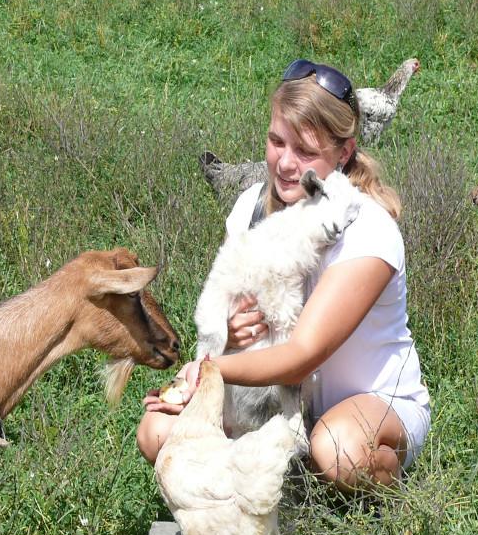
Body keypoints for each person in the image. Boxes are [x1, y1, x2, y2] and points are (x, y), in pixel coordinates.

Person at [137, 59, 430, 490]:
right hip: (279, 402)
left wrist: (208, 371)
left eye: (307, 152)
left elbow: (303, 353)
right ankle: (262, 486)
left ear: (344, 153)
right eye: (277, 141)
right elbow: (229, 320)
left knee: (338, 450)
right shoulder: (251, 208)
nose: (285, 164)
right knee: (156, 432)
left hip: (365, 406)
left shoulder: (368, 230)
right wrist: (224, 341)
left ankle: (368, 497)